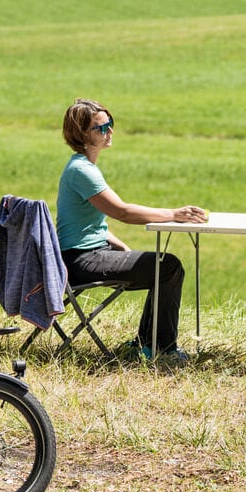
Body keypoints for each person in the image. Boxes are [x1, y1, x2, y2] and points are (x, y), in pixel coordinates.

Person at [56, 98, 207, 364]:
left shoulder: (84, 167)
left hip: (86, 254)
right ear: (82, 134)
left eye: (110, 124)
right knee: (167, 266)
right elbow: (122, 212)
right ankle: (162, 349)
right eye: (100, 128)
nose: (109, 132)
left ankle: (147, 344)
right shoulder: (81, 171)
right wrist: (173, 214)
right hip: (81, 260)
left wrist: (122, 248)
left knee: (161, 266)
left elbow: (91, 225)